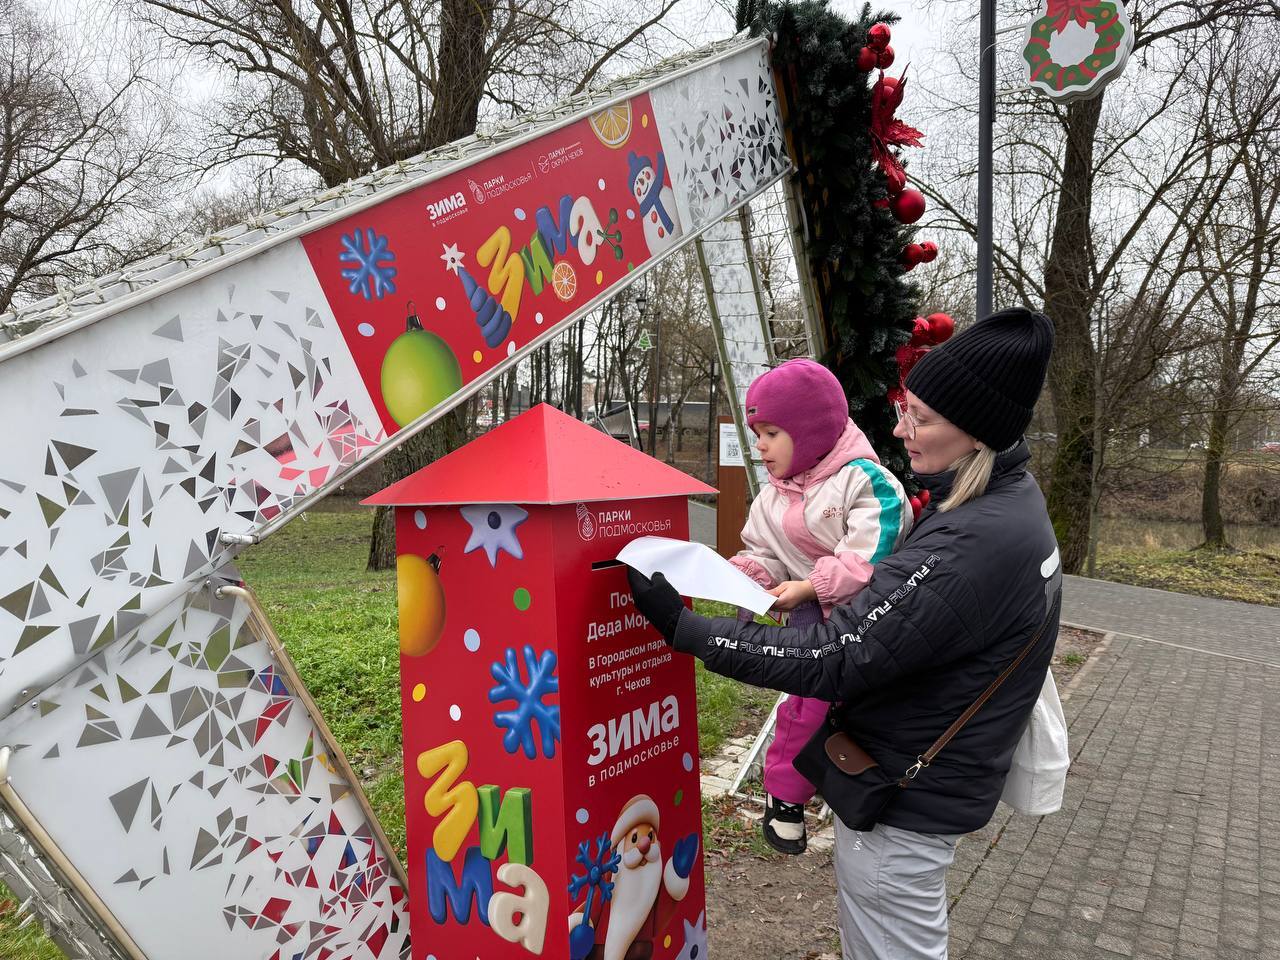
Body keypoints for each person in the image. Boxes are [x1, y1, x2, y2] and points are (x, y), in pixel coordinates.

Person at [627, 308, 1060, 959]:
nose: (899, 427)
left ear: (976, 431)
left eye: (921, 416)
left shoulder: (971, 539)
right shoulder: (1006, 505)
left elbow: (839, 653)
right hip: (928, 784)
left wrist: (688, 629)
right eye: (903, 408)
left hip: (904, 803)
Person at [727, 358, 911, 854]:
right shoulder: (771, 497)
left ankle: (858, 788)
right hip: (811, 619)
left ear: (810, 431)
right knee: (802, 708)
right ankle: (786, 796)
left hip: (867, 616)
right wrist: (750, 580)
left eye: (771, 432)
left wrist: (810, 585)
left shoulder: (863, 482)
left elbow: (873, 554)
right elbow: (761, 550)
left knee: (865, 712)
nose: (759, 445)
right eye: (756, 433)